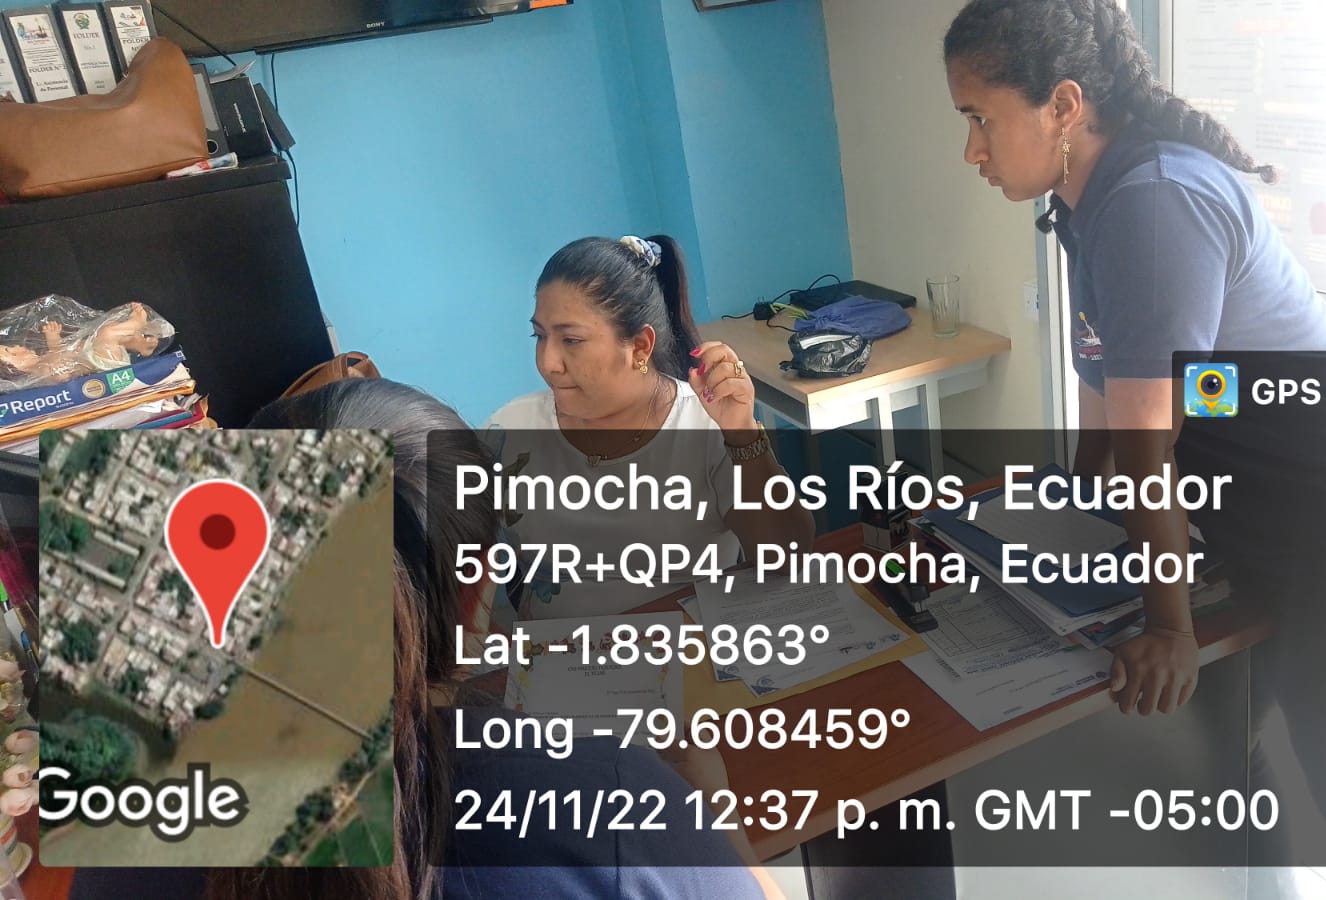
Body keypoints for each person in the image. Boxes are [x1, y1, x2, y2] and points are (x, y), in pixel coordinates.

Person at [942, 0, 1326, 886]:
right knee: (1220, 749)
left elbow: (1148, 443)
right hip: (1285, 537)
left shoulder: (1153, 203)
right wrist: (1072, 512)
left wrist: (1169, 625)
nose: (971, 150)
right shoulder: (1086, 205)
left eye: (979, 118)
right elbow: (1107, 393)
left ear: (1064, 106)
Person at [69, 378, 785, 900]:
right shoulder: (609, 802)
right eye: (544, 335)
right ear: (477, 596)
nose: (553, 362)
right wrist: (704, 797)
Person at [488, 234, 815, 617]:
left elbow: (786, 558)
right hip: (555, 651)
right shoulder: (510, 430)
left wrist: (742, 434)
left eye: (571, 340)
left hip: (690, 645)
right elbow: (461, 563)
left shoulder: (703, 426)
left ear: (641, 347)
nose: (548, 363)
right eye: (540, 336)